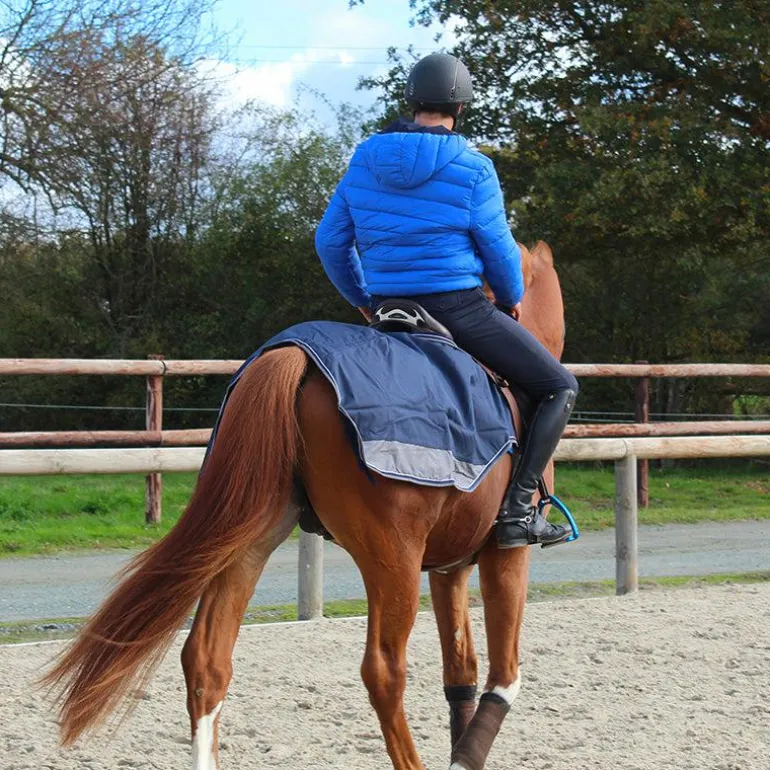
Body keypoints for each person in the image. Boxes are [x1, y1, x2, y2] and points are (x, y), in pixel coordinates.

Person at [314, 52, 578, 548]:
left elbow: (330, 242)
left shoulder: (365, 158)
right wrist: (510, 299)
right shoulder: (473, 168)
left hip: (389, 309)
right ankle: (517, 513)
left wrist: (364, 300)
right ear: (460, 107)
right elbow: (498, 248)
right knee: (558, 387)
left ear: (411, 102)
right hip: (458, 310)